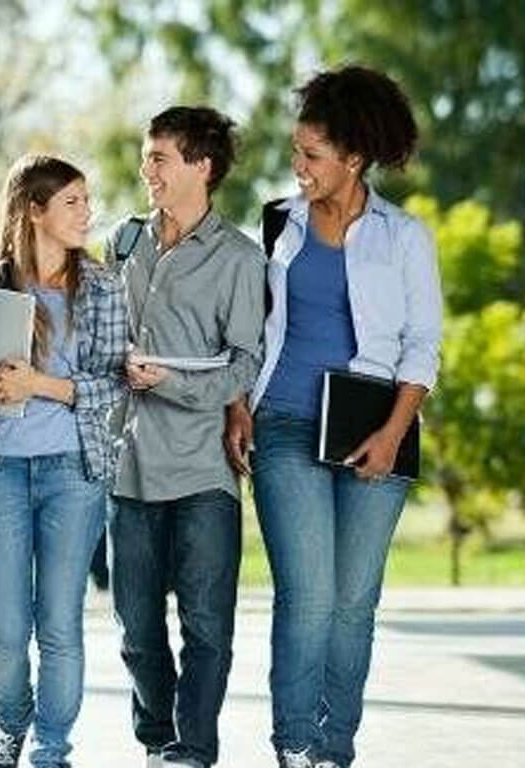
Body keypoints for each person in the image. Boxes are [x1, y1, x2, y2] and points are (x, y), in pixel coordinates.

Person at [223, 66, 442, 768]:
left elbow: (422, 345)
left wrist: (393, 432)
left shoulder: (405, 237)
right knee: (309, 595)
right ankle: (293, 745)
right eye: (296, 151)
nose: (298, 166)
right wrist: (237, 403)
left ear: (353, 158)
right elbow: (248, 327)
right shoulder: (276, 221)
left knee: (354, 604)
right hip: (284, 418)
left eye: (312, 155)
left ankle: (332, 748)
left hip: (376, 428)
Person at [105, 107, 266, 768]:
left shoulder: (238, 258)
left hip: (202, 470)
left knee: (205, 627)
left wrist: (165, 380)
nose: (148, 170)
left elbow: (243, 366)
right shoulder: (124, 241)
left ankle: (189, 750)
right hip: (127, 465)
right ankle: (157, 740)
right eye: (147, 157)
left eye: (161, 158)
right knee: (137, 633)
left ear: (202, 166)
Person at [0, 155, 128, 767]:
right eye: (74, 202)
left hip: (72, 472)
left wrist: (40, 385)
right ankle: (11, 725)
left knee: (59, 624)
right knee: (2, 629)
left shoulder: (104, 284)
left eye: (88, 201)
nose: (88, 213)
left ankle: (51, 751)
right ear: (35, 209)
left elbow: (117, 384)